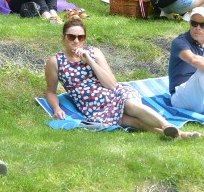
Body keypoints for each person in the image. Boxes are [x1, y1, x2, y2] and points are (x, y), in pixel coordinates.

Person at [45, 18, 192, 138]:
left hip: (115, 94)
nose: (76, 41)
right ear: (63, 37)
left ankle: (167, 126)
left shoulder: (94, 53)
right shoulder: (55, 62)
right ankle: (178, 135)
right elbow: (51, 91)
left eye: (80, 37)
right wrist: (56, 108)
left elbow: (111, 85)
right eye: (71, 37)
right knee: (133, 122)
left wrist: (90, 60)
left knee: (132, 106)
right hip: (94, 106)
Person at [168, 7, 204, 115]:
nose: (198, 28)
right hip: (183, 100)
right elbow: (194, 60)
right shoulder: (179, 42)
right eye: (194, 23)